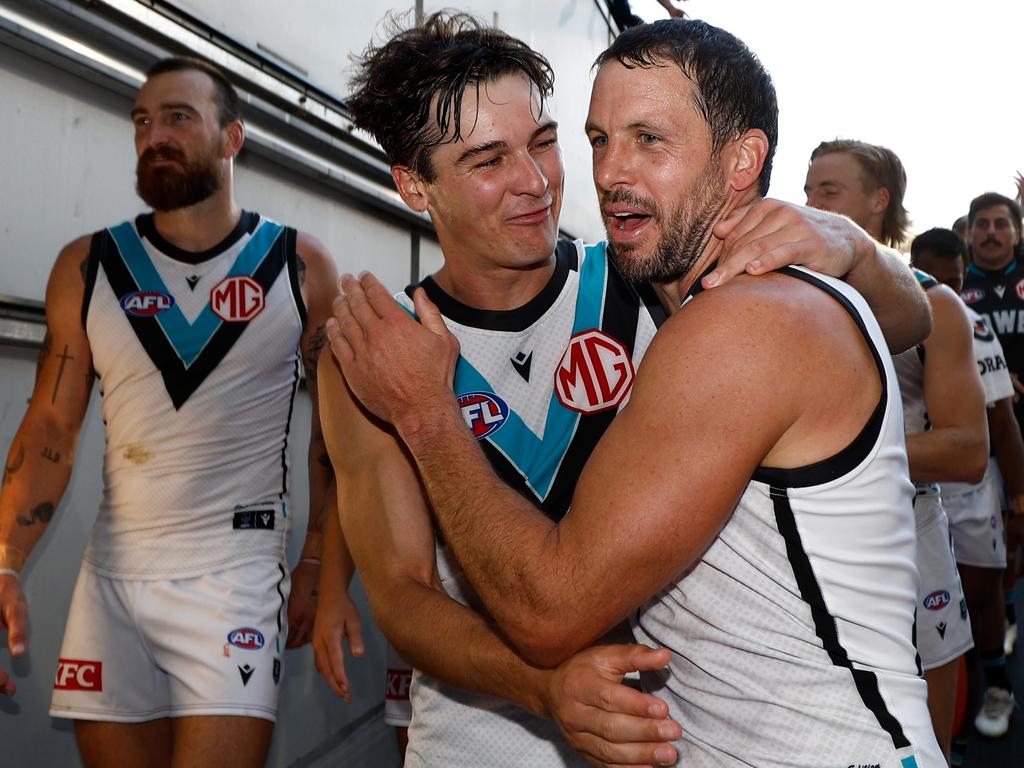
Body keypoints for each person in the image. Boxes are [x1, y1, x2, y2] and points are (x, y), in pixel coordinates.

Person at [326, 17, 943, 768]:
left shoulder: (645, 274)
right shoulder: (380, 349)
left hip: (662, 731)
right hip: (479, 732)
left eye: (546, 142)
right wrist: (538, 685)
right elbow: (398, 591)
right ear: (413, 184)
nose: (537, 181)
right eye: (490, 159)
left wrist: (848, 241)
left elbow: (909, 319)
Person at [0, 57, 360, 766]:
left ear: (232, 139)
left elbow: (338, 440)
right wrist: (5, 562)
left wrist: (323, 563)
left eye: (177, 118)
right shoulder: (89, 264)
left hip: (236, 577)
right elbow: (48, 429)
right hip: (113, 576)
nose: (153, 135)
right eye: (142, 120)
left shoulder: (298, 264)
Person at [806, 139, 988, 756]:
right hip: (813, 538)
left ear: (879, 202)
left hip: (911, 530)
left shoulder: (937, 303)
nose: (811, 205)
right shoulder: (790, 298)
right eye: (807, 192)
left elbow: (967, 449)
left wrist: (835, 450)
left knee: (929, 734)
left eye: (828, 193)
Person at [910, 227, 1024, 742]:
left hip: (968, 491)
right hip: (909, 498)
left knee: (980, 599)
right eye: (940, 281)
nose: (949, 295)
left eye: (958, 283)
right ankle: (946, 728)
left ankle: (996, 686)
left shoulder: (971, 325)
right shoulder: (865, 318)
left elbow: (1002, 422)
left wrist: (1019, 503)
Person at [960, 190, 1024, 729]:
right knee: (1000, 537)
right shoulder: (956, 291)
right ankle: (1000, 615)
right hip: (988, 435)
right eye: (982, 224)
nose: (991, 233)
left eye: (1001, 224)